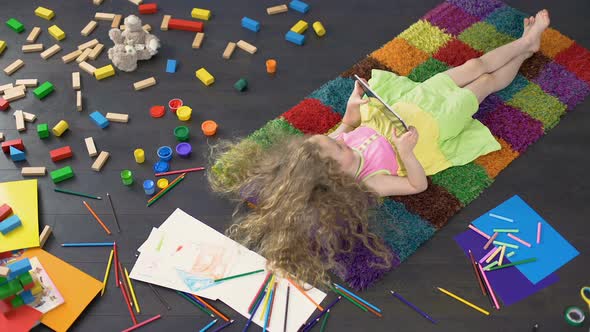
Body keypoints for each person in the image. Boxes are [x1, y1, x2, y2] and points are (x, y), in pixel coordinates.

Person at [208, 10, 550, 287]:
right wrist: (405, 152)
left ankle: (524, 43)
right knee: (486, 83)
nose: (338, 139)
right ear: (337, 175)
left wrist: (351, 112)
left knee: (474, 67)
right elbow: (417, 185)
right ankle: (526, 49)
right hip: (431, 127)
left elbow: (345, 130)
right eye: (335, 148)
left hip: (411, 104)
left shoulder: (334, 148)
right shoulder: (367, 181)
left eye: (329, 139)